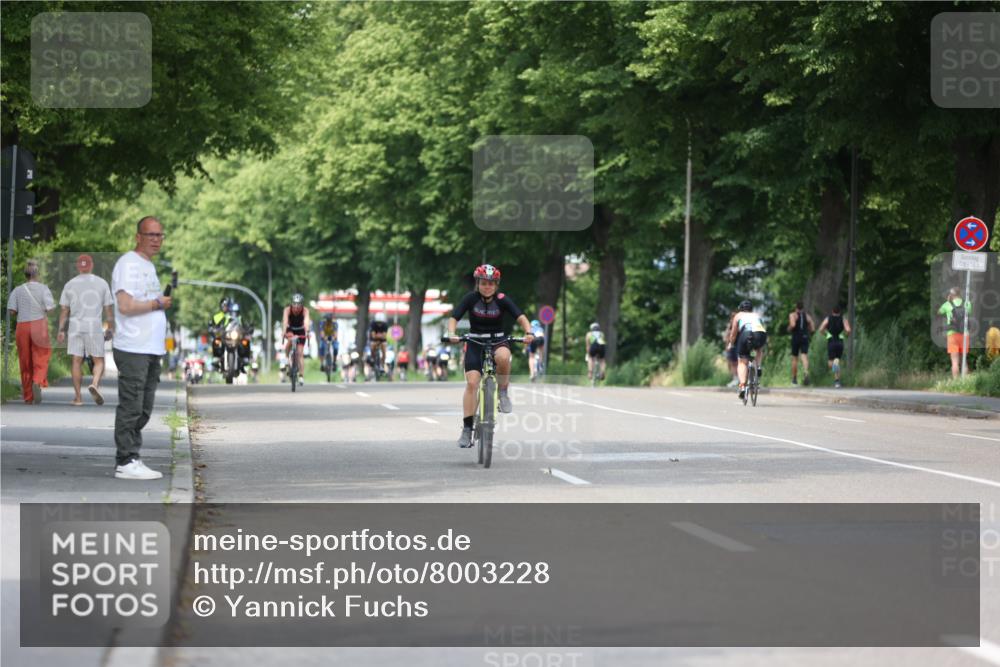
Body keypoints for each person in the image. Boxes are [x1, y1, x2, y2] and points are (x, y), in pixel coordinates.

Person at [447, 264, 533, 448]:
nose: (487, 287)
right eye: (484, 283)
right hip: (475, 342)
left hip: (498, 340)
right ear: (478, 283)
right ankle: (467, 429)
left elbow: (521, 316)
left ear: (496, 285)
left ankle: (502, 392)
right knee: (472, 383)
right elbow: (454, 318)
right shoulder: (470, 298)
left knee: (503, 356)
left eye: (491, 284)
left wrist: (529, 332)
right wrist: (452, 333)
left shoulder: (502, 300)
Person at [111, 216, 171, 480]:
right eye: (150, 235)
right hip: (133, 346)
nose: (156, 240)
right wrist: (157, 304)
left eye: (160, 235)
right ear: (138, 237)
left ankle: (133, 456)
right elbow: (125, 306)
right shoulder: (128, 264)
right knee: (132, 405)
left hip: (150, 348)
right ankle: (126, 460)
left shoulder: (148, 266)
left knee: (144, 407)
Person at [57, 254, 114, 406]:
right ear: (91, 265)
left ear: (78, 267)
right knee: (99, 361)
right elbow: (108, 308)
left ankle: (78, 398)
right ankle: (94, 384)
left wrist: (61, 330)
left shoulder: (70, 284)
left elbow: (64, 310)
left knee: (76, 361)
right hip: (93, 326)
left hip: (75, 326)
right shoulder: (101, 283)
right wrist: (110, 328)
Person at [7, 259, 55, 404]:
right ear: (37, 274)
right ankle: (37, 380)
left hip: (22, 326)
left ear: (25, 274)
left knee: (25, 360)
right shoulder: (44, 289)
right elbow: (51, 309)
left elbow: (11, 311)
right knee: (42, 355)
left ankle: (28, 396)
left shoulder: (17, 289)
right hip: (38, 324)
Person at [727, 299, 768, 401]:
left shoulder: (738, 315)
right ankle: (758, 367)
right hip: (760, 333)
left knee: (742, 361)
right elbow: (763, 327)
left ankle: (742, 386)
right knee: (759, 349)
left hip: (746, 333)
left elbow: (733, 333)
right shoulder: (757, 315)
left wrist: (731, 344)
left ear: (741, 309)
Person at [938, 287, 971, 378]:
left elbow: (939, 312)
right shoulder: (967, 303)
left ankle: (955, 383)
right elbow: (969, 312)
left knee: (955, 361)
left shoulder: (947, 304)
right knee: (964, 361)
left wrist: (948, 301)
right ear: (959, 294)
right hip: (964, 334)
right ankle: (965, 383)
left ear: (951, 295)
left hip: (952, 335)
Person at [817, 305, 852, 388]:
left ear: (832, 311)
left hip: (831, 341)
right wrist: (845, 335)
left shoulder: (828, 318)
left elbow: (821, 329)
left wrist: (826, 335)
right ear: (839, 312)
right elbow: (848, 330)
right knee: (836, 361)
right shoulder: (843, 319)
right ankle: (837, 381)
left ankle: (836, 379)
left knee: (831, 362)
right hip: (840, 342)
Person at [283, 293, 311, 385]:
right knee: (290, 341)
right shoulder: (287, 310)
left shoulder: (305, 311)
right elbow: (285, 321)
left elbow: (306, 321)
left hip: (301, 330)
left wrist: (307, 332)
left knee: (299, 353)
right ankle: (287, 359)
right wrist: (284, 332)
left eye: (298, 305)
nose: (296, 308)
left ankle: (301, 376)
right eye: (294, 304)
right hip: (291, 329)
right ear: (292, 304)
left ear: (301, 305)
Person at [788, 301, 814, 385]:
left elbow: (793, 325)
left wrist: (788, 329)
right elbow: (812, 328)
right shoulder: (807, 316)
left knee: (795, 358)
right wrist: (808, 331)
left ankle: (794, 379)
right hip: (805, 337)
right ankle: (806, 372)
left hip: (796, 337)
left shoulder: (793, 315)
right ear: (802, 308)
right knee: (804, 355)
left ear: (796, 307)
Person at [368, 312, 389, 377]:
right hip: (373, 340)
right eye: (378, 322)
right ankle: (372, 357)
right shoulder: (372, 324)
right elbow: (373, 336)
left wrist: (378, 336)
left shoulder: (385, 325)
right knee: (372, 345)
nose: (379, 324)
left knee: (384, 349)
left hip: (382, 340)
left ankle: (382, 364)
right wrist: (379, 336)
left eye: (381, 322)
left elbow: (384, 336)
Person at [723, 310, 739, 388]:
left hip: (738, 345)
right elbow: (726, 336)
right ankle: (735, 379)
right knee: (732, 363)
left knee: (739, 362)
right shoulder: (730, 325)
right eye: (732, 317)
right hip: (731, 346)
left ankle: (740, 378)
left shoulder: (739, 324)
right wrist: (727, 346)